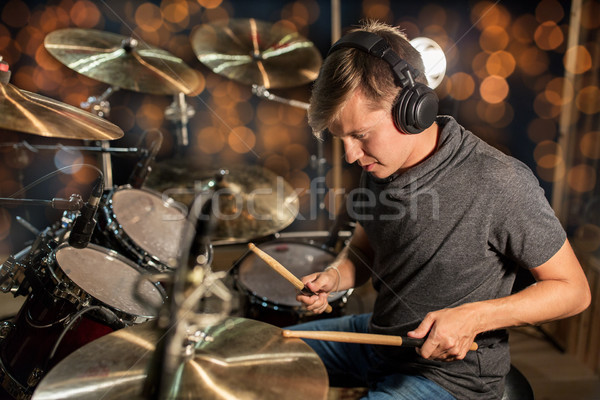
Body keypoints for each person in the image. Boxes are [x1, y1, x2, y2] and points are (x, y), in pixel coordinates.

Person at [291, 20, 591, 400]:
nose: (351, 154)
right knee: (254, 353)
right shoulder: (380, 166)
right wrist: (335, 278)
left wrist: (473, 317)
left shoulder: (499, 181)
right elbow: (366, 250)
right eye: (342, 138)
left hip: (449, 376)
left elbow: (573, 291)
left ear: (411, 110)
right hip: (382, 340)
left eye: (360, 135)